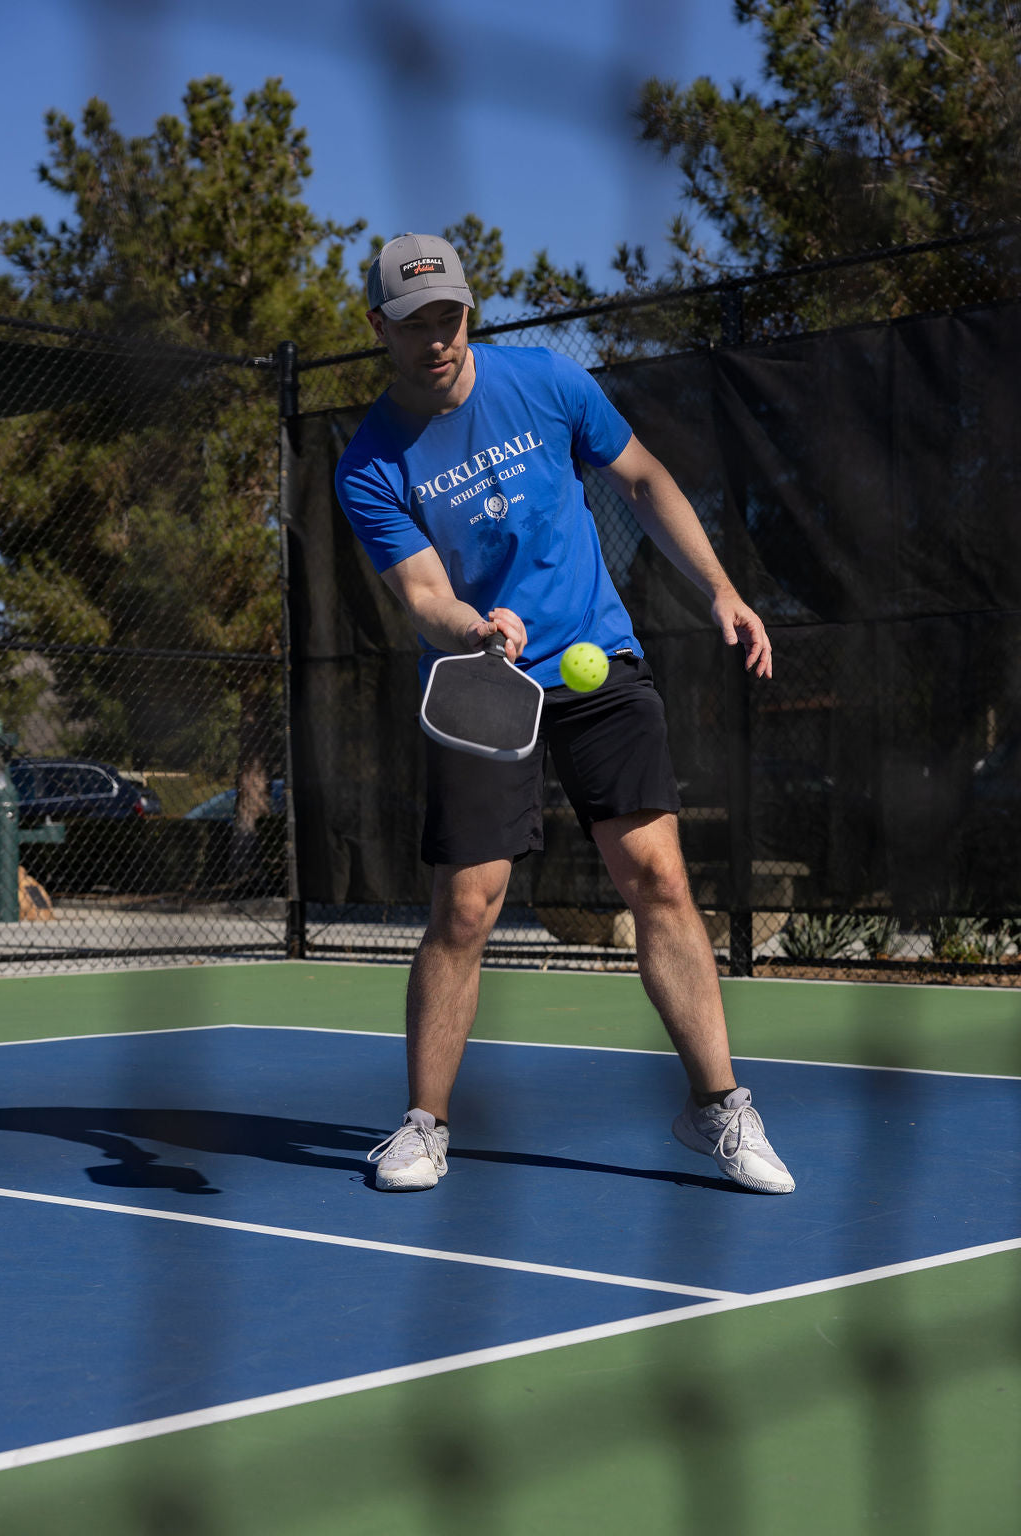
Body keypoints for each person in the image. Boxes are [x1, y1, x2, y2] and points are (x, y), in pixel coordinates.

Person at [335, 232, 794, 1197]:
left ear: (471, 312)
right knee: (468, 904)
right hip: (481, 682)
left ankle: (718, 1106)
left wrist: (719, 589)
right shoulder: (370, 463)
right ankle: (425, 1124)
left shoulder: (545, 380)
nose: (438, 340)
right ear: (379, 328)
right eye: (415, 324)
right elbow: (420, 592)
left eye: (450, 318)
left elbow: (645, 479)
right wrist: (472, 626)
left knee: (658, 875)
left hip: (596, 663)